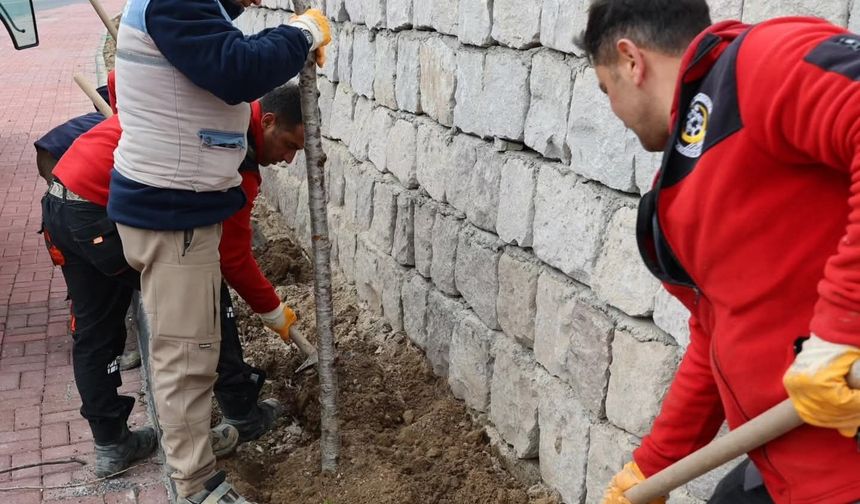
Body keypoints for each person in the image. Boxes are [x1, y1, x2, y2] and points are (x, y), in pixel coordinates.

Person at [576, 1, 860, 503]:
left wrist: (844, 326)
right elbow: (717, 334)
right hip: (789, 469)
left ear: (630, 61)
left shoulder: (759, 65)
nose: (613, 111)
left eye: (606, 89)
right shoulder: (685, 182)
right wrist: (652, 466)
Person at [108, 0, 329, 500]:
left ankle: (193, 460)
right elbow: (237, 69)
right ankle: (197, 486)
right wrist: (299, 34)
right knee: (186, 359)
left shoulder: (187, 10)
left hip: (178, 210)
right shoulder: (173, 2)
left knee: (193, 350)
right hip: (173, 212)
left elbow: (211, 43)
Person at [40, 83, 307, 487]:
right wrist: (274, 313)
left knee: (94, 331)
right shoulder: (232, 150)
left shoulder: (215, 101)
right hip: (99, 212)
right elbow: (231, 258)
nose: (287, 159)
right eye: (289, 145)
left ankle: (112, 445)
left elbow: (117, 79)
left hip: (63, 201)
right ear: (267, 121)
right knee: (202, 291)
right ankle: (241, 412)